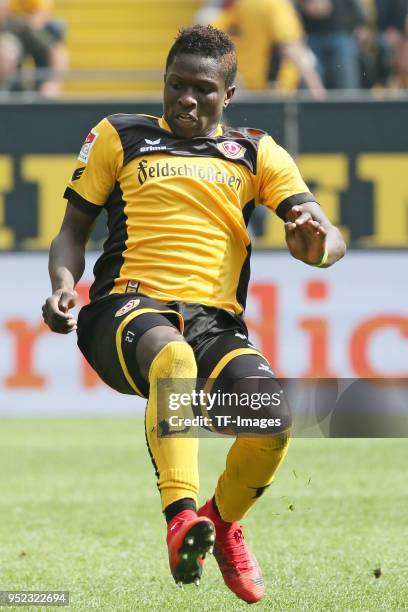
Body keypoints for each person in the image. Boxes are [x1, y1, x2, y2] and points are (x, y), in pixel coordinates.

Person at [42, 25, 346, 604]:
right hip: (124, 308)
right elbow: (70, 233)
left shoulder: (256, 150)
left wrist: (321, 248)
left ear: (228, 95)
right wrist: (63, 286)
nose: (186, 99)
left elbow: (325, 233)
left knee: (272, 416)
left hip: (215, 323)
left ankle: (222, 523)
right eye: (175, 85)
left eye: (202, 90)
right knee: (172, 357)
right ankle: (181, 518)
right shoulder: (118, 135)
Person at [209, 0, 326, 98]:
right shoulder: (277, 6)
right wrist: (316, 87)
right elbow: (288, 47)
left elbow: (212, 32)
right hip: (273, 90)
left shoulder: (244, 3)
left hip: (243, 85)